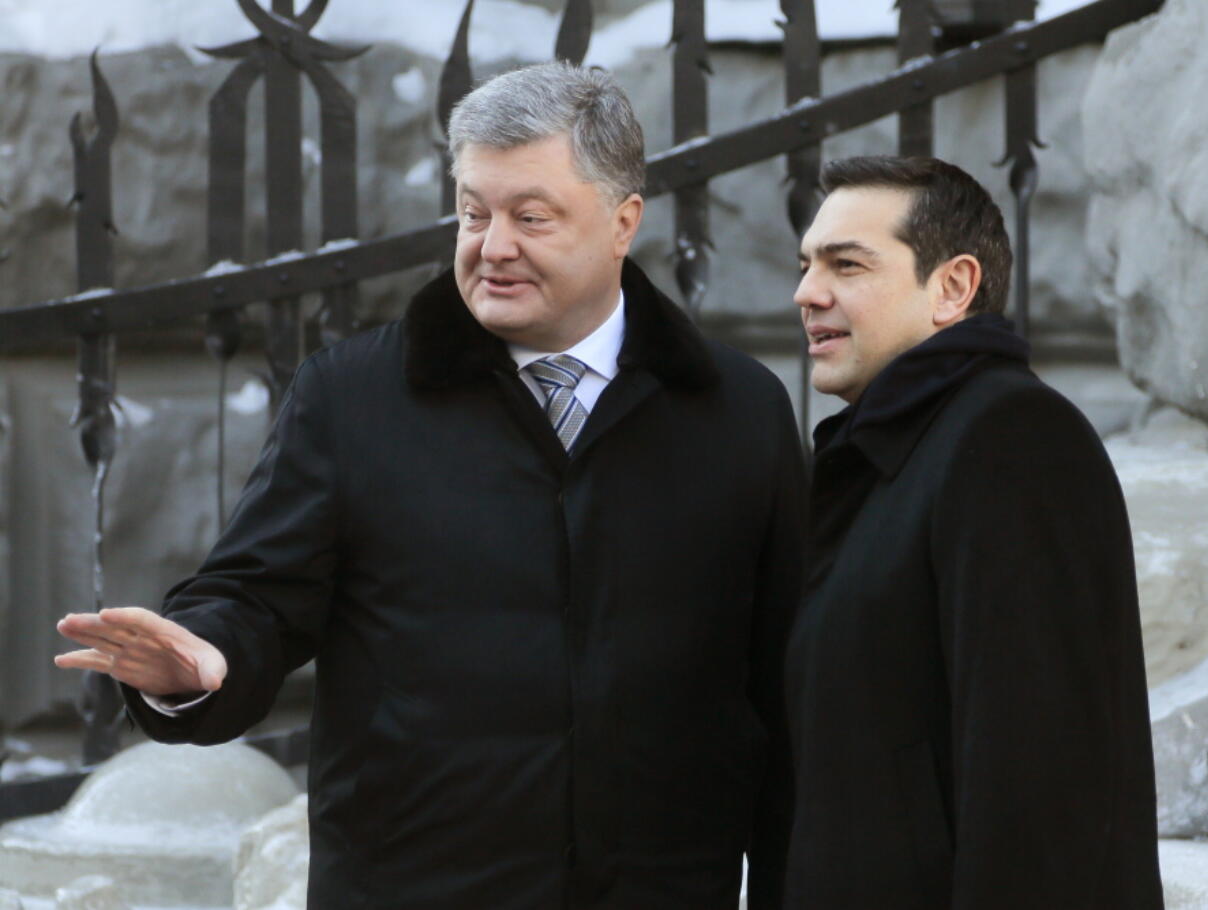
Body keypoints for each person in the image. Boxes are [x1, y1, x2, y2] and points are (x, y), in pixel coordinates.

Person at [55, 62, 804, 910]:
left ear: (622, 221)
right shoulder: (351, 398)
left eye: (531, 217)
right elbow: (257, 597)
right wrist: (201, 661)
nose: (493, 246)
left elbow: (788, 680)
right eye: (473, 213)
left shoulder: (738, 410)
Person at [783, 155, 1163, 909]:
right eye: (804, 264)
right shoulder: (890, 454)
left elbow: (1046, 787)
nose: (805, 292)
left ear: (952, 287)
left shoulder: (1013, 439)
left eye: (846, 265)